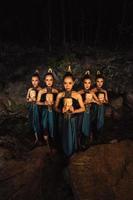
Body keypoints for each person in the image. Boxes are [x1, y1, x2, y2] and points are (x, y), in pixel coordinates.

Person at [55, 66, 85, 157]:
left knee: (73, 134)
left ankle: (73, 151)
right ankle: (64, 152)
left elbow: (83, 108)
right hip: (63, 119)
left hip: (72, 119)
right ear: (63, 83)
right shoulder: (60, 95)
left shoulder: (77, 95)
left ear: (73, 83)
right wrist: (61, 110)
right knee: (63, 135)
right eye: (65, 83)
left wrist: (74, 110)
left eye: (70, 83)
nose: (67, 86)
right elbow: (55, 107)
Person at [37, 68, 58, 153]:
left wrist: (54, 103)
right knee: (45, 127)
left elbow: (58, 102)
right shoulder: (41, 91)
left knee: (52, 127)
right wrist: (44, 104)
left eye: (51, 80)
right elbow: (38, 102)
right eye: (47, 80)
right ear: (45, 81)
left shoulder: (56, 91)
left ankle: (53, 144)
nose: (49, 82)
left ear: (53, 81)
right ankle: (47, 145)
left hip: (52, 112)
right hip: (45, 112)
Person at [78, 71, 99, 149]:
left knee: (88, 126)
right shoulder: (79, 93)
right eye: (85, 83)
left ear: (91, 84)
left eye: (89, 83)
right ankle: (79, 144)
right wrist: (84, 102)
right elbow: (75, 105)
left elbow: (99, 102)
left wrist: (94, 101)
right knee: (80, 127)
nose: (87, 85)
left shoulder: (92, 93)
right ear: (83, 83)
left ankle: (87, 142)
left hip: (89, 112)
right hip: (81, 113)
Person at [91, 71, 108, 141]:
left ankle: (99, 137)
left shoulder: (104, 91)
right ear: (95, 82)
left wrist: (103, 101)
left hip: (101, 108)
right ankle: (93, 136)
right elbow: (90, 99)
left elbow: (107, 101)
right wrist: (96, 101)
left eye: (101, 81)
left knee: (100, 121)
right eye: (98, 81)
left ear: (103, 82)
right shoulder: (93, 90)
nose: (100, 83)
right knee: (94, 120)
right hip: (95, 108)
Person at [26, 70, 42, 144]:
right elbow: (26, 99)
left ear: (39, 81)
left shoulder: (41, 90)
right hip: (32, 107)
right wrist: (30, 99)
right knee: (32, 121)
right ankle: (35, 138)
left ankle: (39, 138)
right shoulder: (30, 89)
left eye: (36, 80)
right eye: (33, 80)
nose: (34, 82)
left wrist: (37, 100)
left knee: (38, 121)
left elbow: (42, 99)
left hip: (38, 108)